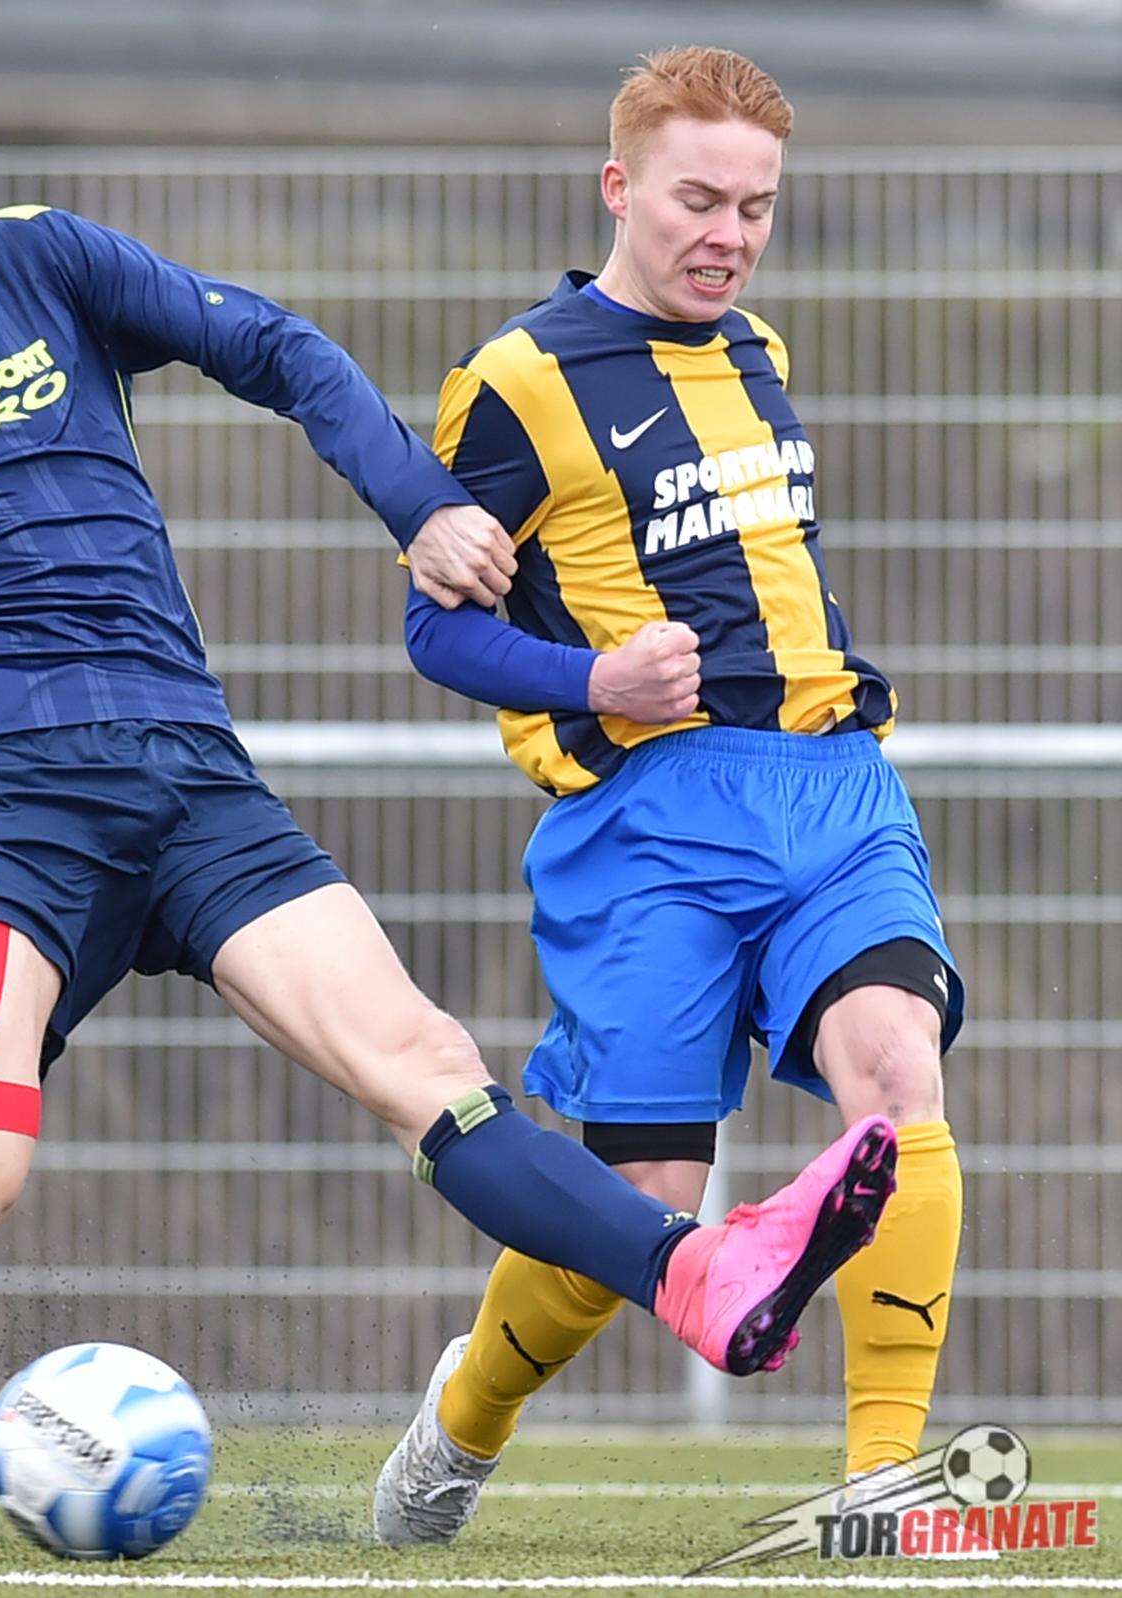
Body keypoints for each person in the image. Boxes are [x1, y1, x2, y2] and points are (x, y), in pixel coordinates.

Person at [0, 35, 899, 1552]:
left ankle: (699, 1274)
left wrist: (420, 506)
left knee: (428, 1062)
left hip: (188, 773)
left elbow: (278, 349)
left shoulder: (32, 257)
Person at [374, 46, 965, 1548]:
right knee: (643, 1196)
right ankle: (462, 1424)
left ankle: (883, 1483)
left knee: (897, 1076)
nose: (729, 234)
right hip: (650, 824)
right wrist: (595, 680)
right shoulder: (517, 382)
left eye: (756, 207)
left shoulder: (757, 349)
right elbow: (436, 631)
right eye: (700, 200)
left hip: (833, 789)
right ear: (618, 188)